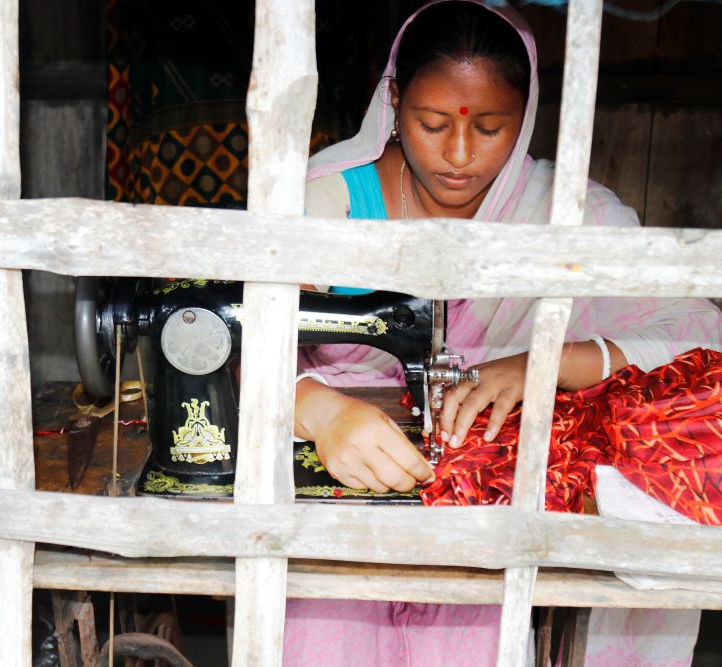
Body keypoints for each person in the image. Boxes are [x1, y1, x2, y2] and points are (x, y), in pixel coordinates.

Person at [287, 1, 722, 664]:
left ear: (526, 120)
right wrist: (315, 408)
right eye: (432, 125)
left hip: (486, 534)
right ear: (395, 102)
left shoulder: (565, 215)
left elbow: (700, 335)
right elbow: (224, 340)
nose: (459, 155)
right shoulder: (323, 206)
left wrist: (551, 361)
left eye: (491, 128)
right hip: (334, 516)